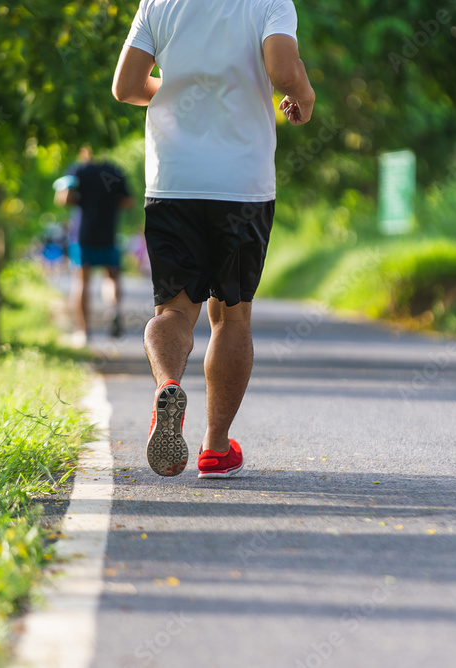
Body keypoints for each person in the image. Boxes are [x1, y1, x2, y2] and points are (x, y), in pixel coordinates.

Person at [112, 0, 315, 477]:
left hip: (173, 184)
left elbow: (126, 87)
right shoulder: (270, 3)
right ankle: (215, 448)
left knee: (175, 309)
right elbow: (283, 69)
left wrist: (182, 90)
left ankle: (167, 385)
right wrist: (303, 95)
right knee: (231, 316)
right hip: (241, 186)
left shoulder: (158, 3)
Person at [54, 145, 134, 345]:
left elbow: (64, 199)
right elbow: (128, 202)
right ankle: (114, 309)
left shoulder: (78, 171)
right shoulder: (115, 170)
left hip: (82, 235)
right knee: (112, 276)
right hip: (108, 234)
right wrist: (111, 201)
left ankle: (82, 331)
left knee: (82, 282)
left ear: (84, 151)